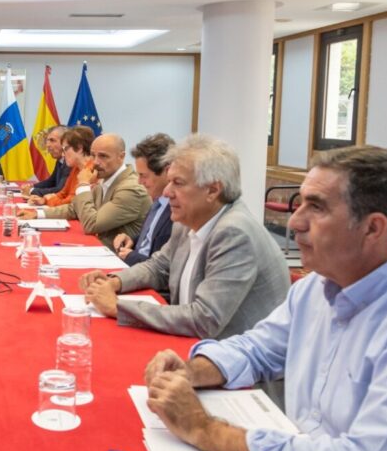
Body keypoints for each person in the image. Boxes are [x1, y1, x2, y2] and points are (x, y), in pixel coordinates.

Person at [141, 147, 387, 451]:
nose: (294, 222)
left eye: (316, 207)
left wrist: (201, 428)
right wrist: (193, 371)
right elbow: (257, 349)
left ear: (373, 228)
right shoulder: (315, 288)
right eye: (299, 203)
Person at [79, 134, 288, 339]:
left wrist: (118, 306)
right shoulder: (187, 221)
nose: (167, 191)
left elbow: (204, 319)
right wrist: (114, 281)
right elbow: (158, 266)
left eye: (178, 183)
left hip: (238, 365)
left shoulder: (234, 233)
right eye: (169, 181)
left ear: (213, 190)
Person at [22, 133, 150, 249]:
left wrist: (83, 185)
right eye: (93, 155)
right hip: (97, 248)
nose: (95, 162)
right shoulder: (106, 177)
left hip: (116, 259)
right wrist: (38, 214)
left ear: (121, 157)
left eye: (103, 156)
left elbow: (92, 225)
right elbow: (73, 209)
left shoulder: (131, 188)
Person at [113, 133, 176, 266]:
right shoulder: (157, 201)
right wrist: (132, 240)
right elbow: (150, 237)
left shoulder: (178, 210)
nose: (139, 182)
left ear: (167, 172)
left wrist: (132, 257)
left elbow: (166, 267)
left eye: (143, 176)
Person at [27, 126, 93, 207]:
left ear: (79, 148)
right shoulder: (76, 169)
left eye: (65, 148)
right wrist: (44, 200)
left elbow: (71, 201)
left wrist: (48, 200)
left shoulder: (92, 171)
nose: (63, 154)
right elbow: (62, 193)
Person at [22, 125, 70, 197]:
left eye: (52, 140)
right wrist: (32, 186)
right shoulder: (60, 159)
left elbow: (60, 190)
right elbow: (51, 182)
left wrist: (32, 191)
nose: (47, 145)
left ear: (65, 142)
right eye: (47, 140)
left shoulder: (70, 162)